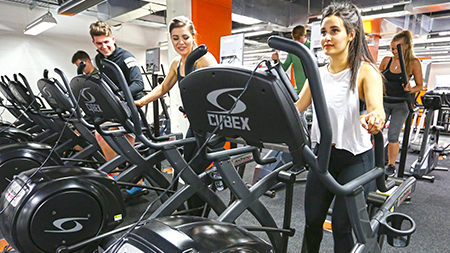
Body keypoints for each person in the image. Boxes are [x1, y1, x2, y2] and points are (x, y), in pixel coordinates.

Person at [295, 2, 385, 252]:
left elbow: (377, 108)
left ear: (351, 35)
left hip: (355, 159)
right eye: (324, 32)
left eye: (334, 31)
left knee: (341, 227)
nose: (327, 37)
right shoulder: (317, 74)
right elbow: (295, 108)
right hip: (322, 158)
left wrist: (375, 118)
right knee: (312, 223)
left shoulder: (365, 71)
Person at [135, 16, 217, 215]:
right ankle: (193, 213)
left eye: (185, 37)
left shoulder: (204, 59)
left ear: (194, 37)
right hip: (195, 125)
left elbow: (218, 92)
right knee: (188, 168)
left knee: (198, 170)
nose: (180, 42)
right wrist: (141, 101)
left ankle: (199, 214)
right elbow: (164, 87)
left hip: (211, 126)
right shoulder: (176, 63)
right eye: (175, 38)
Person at [89, 21, 145, 197]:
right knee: (100, 132)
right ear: (94, 43)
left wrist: (119, 95)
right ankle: (116, 174)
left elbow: (139, 84)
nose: (104, 47)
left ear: (113, 39)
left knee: (124, 145)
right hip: (115, 106)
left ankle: (138, 183)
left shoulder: (126, 57)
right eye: (99, 43)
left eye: (107, 42)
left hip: (131, 107)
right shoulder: (99, 58)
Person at [379, 30, 423, 175]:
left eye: (397, 48)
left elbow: (419, 86)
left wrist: (410, 89)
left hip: (401, 104)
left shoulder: (413, 63)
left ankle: (391, 165)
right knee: (375, 131)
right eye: (392, 48)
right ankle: (375, 160)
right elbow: (377, 77)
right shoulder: (387, 60)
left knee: (393, 135)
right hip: (384, 101)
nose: (394, 52)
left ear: (407, 47)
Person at [272, 25, 310, 94]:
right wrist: (277, 60)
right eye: (295, 40)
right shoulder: (292, 51)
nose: (297, 42)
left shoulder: (312, 47)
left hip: (312, 90)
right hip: (299, 91)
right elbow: (284, 68)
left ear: (305, 36)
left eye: (299, 39)